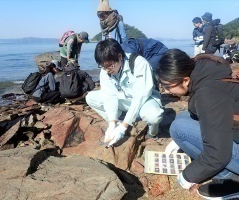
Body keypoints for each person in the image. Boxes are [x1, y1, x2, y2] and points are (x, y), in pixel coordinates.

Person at [156, 49, 239, 199]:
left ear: (186, 80)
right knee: (183, 118)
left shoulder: (207, 93)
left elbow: (218, 155)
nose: (166, 91)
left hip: (228, 148)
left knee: (179, 128)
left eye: (168, 86)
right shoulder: (205, 69)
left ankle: (231, 179)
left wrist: (187, 176)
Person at [85, 39, 164, 146]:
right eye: (103, 66)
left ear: (120, 57)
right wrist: (112, 123)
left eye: (110, 65)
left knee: (154, 116)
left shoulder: (139, 63)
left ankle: (152, 133)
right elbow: (109, 96)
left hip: (144, 101)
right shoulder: (105, 70)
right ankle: (119, 120)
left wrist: (124, 126)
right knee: (90, 97)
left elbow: (140, 97)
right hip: (124, 99)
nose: (107, 69)